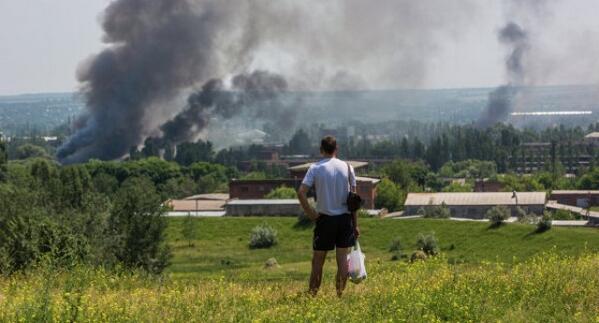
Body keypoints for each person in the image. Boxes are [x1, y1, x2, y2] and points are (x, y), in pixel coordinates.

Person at [297, 135, 360, 297]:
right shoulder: (348, 167)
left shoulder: (315, 168)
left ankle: (312, 295)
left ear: (321, 150)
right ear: (336, 149)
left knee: (318, 261)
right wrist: (355, 224)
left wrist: (311, 213)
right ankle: (339, 295)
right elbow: (354, 199)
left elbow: (301, 192)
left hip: (324, 219)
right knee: (342, 262)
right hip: (345, 220)